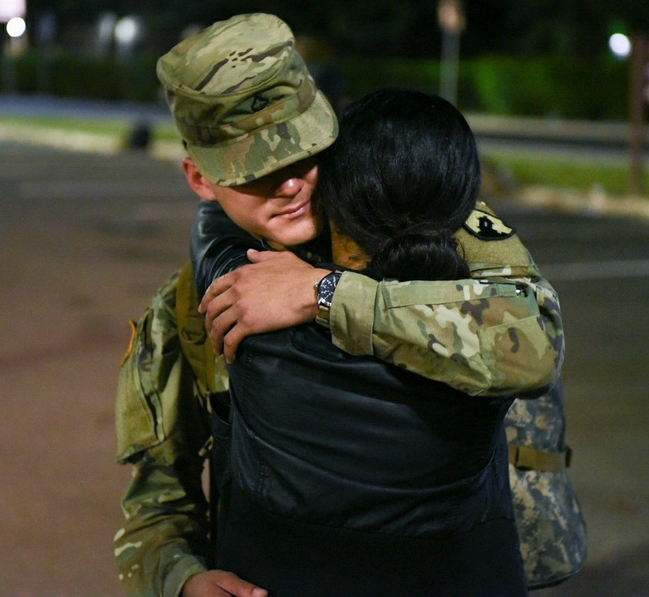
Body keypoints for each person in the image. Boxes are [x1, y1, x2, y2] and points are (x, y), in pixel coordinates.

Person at [114, 13, 564, 597]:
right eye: (256, 170)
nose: (290, 185)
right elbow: (155, 502)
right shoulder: (189, 309)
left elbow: (534, 343)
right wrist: (181, 580)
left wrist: (324, 295)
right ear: (200, 178)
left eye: (303, 154)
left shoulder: (421, 215)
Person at [208, 87, 529, 596]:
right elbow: (530, 335)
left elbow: (214, 230)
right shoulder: (485, 338)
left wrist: (319, 287)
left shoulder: (251, 310)